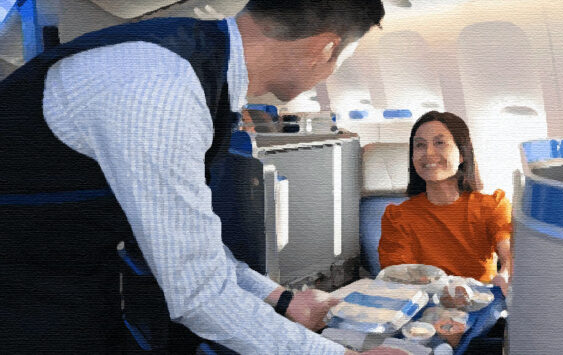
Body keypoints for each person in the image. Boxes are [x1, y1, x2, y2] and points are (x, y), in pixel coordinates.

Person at [0, 1, 403, 354]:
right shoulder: (160, 86)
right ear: (326, 48)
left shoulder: (198, 71)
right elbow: (199, 295)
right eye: (342, 59)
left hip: (69, 275)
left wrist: (281, 299)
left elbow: (190, 246)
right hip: (24, 294)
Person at [377, 111, 513, 296]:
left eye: (440, 143)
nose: (428, 153)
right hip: (423, 309)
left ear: (462, 154)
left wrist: (504, 274)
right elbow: (400, 279)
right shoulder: (398, 217)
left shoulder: (492, 207)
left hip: (480, 304)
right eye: (420, 145)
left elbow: (510, 255)